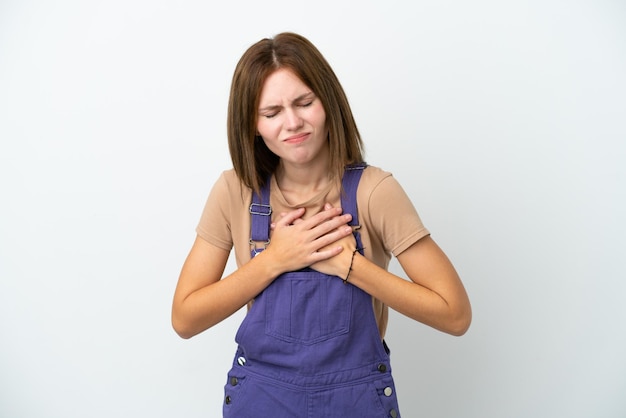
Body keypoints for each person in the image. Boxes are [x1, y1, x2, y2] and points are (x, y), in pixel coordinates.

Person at [172, 32, 471, 418]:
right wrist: (274, 260)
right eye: (271, 112)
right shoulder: (234, 191)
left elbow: (455, 314)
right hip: (263, 401)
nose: (292, 122)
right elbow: (185, 317)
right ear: (252, 125)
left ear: (328, 103)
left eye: (304, 102)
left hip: (356, 401)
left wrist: (352, 267)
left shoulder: (374, 191)